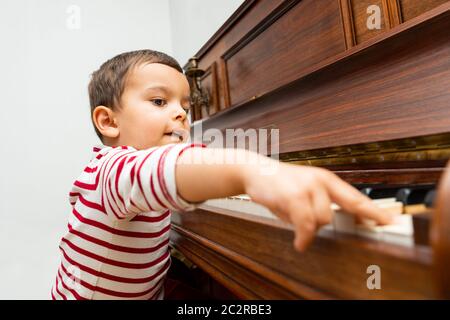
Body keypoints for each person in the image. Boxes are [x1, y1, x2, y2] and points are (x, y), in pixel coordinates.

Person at [51, 49, 392, 300]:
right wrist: (251, 171)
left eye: (186, 107)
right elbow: (159, 172)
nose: (181, 115)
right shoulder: (108, 171)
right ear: (108, 122)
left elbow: (179, 173)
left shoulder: (151, 173)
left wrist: (230, 183)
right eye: (159, 102)